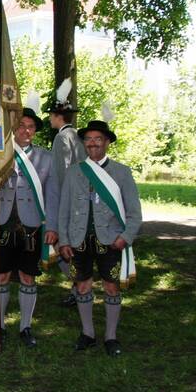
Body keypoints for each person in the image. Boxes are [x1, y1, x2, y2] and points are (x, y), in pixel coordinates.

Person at [57, 119, 142, 357]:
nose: (92, 143)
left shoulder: (122, 172)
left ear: (107, 143)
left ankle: (111, 337)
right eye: (88, 139)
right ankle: (88, 333)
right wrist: (64, 240)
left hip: (111, 241)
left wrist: (124, 238)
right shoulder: (74, 171)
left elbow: (134, 213)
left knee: (111, 287)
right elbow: (64, 209)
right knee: (82, 286)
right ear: (84, 143)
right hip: (78, 240)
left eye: (98, 139)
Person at [0, 107, 59, 347]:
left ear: (35, 131)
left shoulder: (46, 158)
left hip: (32, 226)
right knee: (1, 275)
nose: (26, 131)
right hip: (3, 221)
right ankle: (0, 325)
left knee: (28, 276)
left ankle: (25, 326)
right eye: (21, 126)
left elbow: (52, 194)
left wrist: (52, 225)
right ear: (13, 129)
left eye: (30, 127)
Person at [46, 78, 86, 307]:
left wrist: (59, 207)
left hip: (67, 201)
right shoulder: (78, 135)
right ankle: (78, 285)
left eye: (52, 115)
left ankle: (79, 283)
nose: (50, 118)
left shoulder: (62, 137)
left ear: (58, 117)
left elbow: (60, 174)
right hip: (80, 199)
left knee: (62, 246)